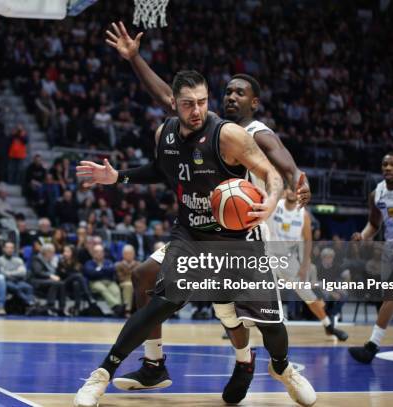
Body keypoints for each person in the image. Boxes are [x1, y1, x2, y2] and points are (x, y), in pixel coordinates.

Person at [73, 69, 315, 407]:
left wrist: (273, 198)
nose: (197, 110)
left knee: (270, 325)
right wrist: (119, 177)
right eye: (188, 104)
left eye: (202, 102)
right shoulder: (165, 134)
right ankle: (102, 376)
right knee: (161, 301)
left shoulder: (228, 135)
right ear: (174, 104)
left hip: (238, 238)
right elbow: (160, 170)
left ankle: (283, 369)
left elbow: (270, 173)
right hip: (192, 235)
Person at [349, 152, 393, 363]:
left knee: (391, 292)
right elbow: (375, 225)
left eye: (392, 164)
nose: (387, 167)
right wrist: (363, 235)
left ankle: (371, 346)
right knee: (390, 302)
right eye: (385, 164)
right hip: (390, 246)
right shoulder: (376, 194)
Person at [269, 188, 348, 340]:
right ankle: (237, 324)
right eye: (289, 188)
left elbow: (307, 241)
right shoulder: (274, 205)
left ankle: (328, 326)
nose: (292, 192)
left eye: (296, 190)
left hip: (288, 259)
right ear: (285, 191)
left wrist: (305, 264)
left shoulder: (303, 215)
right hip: (267, 254)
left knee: (307, 294)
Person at [83, 244, 122, 316]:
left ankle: (118, 310)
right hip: (95, 282)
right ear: (93, 253)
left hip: (109, 282)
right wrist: (104, 270)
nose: (99, 254)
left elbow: (112, 270)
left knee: (116, 290)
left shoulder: (108, 261)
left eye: (101, 252)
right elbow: (91, 273)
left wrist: (99, 270)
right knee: (102, 289)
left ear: (103, 253)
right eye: (97, 252)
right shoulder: (89, 263)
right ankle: (116, 306)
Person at [30, 243, 67, 316]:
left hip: (48, 282)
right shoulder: (37, 258)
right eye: (52, 252)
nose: (54, 254)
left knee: (61, 283)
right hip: (37, 281)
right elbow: (38, 272)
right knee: (55, 283)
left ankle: (61, 308)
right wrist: (50, 276)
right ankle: (51, 306)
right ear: (46, 252)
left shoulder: (52, 260)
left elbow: (57, 272)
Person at [57, 244, 95, 315]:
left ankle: (77, 307)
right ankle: (88, 296)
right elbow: (60, 275)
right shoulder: (60, 262)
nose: (65, 253)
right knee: (78, 275)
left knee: (76, 283)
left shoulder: (77, 263)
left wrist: (69, 273)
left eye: (68, 251)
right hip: (63, 284)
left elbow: (73, 274)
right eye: (64, 251)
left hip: (73, 286)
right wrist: (71, 273)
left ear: (73, 253)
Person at [0, 241, 36, 308]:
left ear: (14, 249)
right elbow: (2, 273)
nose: (10, 250)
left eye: (11, 248)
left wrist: (9, 273)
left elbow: (23, 272)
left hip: (18, 280)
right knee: (16, 288)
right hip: (6, 281)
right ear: (3, 249)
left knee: (28, 287)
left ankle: (29, 307)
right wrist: (16, 272)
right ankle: (30, 302)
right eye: (8, 248)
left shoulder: (18, 260)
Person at [115, 244, 140, 317]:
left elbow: (140, 277)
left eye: (130, 253)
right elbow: (120, 278)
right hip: (123, 284)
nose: (129, 255)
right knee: (128, 285)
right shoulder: (118, 265)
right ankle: (127, 310)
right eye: (126, 254)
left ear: (134, 254)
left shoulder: (139, 264)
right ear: (123, 255)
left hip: (136, 284)